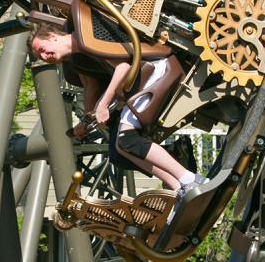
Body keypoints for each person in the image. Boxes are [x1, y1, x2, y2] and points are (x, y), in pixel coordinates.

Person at [30, 24, 203, 193]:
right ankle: (180, 187)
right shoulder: (78, 54)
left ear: (53, 37)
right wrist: (90, 119)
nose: (45, 57)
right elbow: (91, 86)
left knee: (127, 139)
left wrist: (103, 106)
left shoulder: (86, 36)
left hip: (154, 69)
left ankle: (190, 179)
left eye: (43, 49)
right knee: (120, 151)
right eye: (40, 56)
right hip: (138, 82)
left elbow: (123, 67)